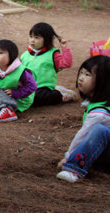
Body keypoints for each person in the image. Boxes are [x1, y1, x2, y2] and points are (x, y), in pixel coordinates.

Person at [57, 55, 110, 183]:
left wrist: (68, 157)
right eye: (81, 73)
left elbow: (82, 135)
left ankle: (74, 169)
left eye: (88, 75)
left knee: (99, 131)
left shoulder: (99, 114)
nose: (81, 78)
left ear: (103, 81)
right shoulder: (98, 104)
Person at [0, 40, 37, 122]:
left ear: (11, 55)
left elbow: (32, 86)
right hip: (5, 98)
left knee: (0, 91)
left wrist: (16, 93)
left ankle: (7, 112)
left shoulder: (21, 71)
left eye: (1, 53)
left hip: (20, 99)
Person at [20, 22, 77, 105]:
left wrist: (65, 49)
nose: (32, 40)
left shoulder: (53, 54)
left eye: (36, 37)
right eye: (31, 36)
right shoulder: (25, 55)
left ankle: (63, 95)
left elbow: (66, 63)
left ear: (46, 39)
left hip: (44, 88)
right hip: (28, 87)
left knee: (39, 97)